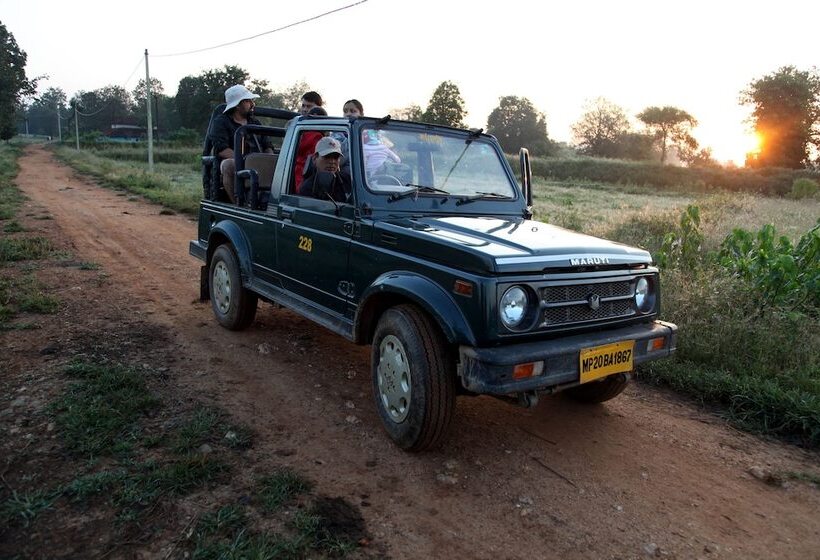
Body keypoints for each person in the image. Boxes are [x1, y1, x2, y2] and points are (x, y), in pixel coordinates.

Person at [209, 84, 272, 203]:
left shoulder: (255, 122)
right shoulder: (221, 122)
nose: (252, 104)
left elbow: (267, 145)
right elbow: (222, 149)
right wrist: (245, 161)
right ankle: (238, 204)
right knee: (228, 165)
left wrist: (268, 159)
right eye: (248, 101)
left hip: (259, 162)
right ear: (238, 105)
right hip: (237, 162)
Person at [298, 137, 351, 202]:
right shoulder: (307, 188)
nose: (332, 161)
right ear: (314, 158)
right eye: (327, 157)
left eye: (336, 157)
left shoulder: (347, 180)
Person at [294, 106, 328, 191]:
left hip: (295, 171)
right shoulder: (319, 139)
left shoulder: (300, 135)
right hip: (308, 175)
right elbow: (318, 161)